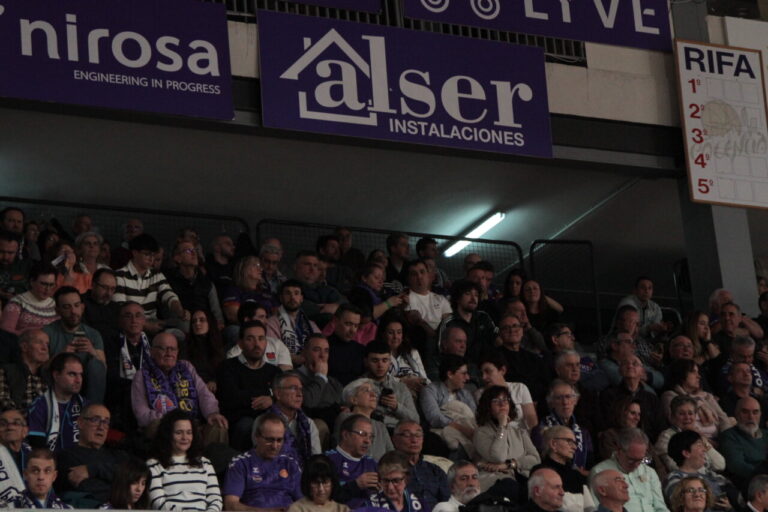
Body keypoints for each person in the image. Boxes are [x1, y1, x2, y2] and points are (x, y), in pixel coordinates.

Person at [131, 332, 228, 444]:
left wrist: (212, 413)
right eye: (163, 349)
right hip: (164, 425)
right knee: (156, 426)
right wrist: (174, 420)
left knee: (218, 425)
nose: (169, 353)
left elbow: (204, 394)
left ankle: (207, 461)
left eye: (173, 349)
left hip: (192, 424)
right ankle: (176, 461)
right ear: (152, 352)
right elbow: (141, 414)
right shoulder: (142, 375)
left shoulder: (186, 367)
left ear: (177, 352)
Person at [216, 320, 281, 451]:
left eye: (261, 339)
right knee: (248, 425)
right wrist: (269, 395)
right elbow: (232, 398)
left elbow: (283, 397)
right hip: (238, 423)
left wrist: (272, 400)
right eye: (250, 339)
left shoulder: (275, 371)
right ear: (240, 343)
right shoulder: (227, 367)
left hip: (269, 420)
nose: (257, 344)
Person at [222, 412, 303, 511]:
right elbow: (231, 505)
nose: (274, 446)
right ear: (257, 437)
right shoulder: (240, 463)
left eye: (279, 440)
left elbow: (304, 502)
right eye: (269, 440)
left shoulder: (291, 464)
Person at [146, 409, 222, 511]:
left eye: (189, 432)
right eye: (179, 433)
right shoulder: (153, 464)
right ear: (167, 435)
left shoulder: (205, 463)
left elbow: (215, 499)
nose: (185, 437)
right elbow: (158, 502)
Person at [54, 404, 129, 507]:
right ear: (80, 423)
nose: (101, 427)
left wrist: (92, 470)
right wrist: (118, 484)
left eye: (106, 422)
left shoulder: (117, 455)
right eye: (95, 420)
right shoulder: (66, 456)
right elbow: (89, 490)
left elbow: (136, 474)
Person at [113, 233, 187, 335]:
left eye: (153, 255)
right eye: (147, 254)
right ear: (134, 253)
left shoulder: (156, 275)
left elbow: (168, 294)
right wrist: (145, 325)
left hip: (154, 323)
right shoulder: (120, 275)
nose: (151, 259)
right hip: (130, 325)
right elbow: (120, 309)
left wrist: (180, 310)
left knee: (182, 327)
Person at [43, 286, 107, 403]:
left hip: (86, 385)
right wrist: (60, 356)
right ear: (57, 310)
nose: (73, 311)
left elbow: (103, 368)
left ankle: (92, 412)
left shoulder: (93, 334)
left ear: (82, 307)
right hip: (57, 383)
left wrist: (92, 352)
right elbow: (40, 369)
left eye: (76, 305)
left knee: (96, 365)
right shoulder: (47, 332)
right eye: (67, 307)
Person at [474, 385, 540, 487]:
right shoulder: (481, 432)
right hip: (496, 481)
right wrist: (502, 426)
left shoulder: (519, 431)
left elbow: (535, 459)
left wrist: (509, 464)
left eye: (505, 399)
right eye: (496, 401)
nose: (502, 404)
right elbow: (498, 457)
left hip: (522, 478)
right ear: (487, 407)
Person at [589, 428, 668, 512]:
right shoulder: (600, 472)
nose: (637, 465)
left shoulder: (649, 472)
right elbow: (596, 508)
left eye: (641, 460)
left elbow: (661, 507)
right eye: (632, 460)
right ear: (619, 451)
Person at [660, 359, 734, 442]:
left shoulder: (706, 396)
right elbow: (679, 425)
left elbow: (723, 418)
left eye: (698, 372)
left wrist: (727, 440)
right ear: (681, 374)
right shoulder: (670, 396)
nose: (699, 376)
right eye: (693, 372)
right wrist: (708, 442)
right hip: (695, 442)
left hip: (720, 440)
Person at [27, 353, 87, 452]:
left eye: (80, 374)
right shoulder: (39, 406)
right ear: (56, 375)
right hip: (51, 463)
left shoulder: (85, 405)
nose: (78, 380)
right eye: (72, 374)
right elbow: (37, 446)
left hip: (81, 461)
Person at [664, 430, 738, 508]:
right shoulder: (674, 478)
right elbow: (680, 503)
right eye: (699, 445)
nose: (704, 450)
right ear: (686, 453)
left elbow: (735, 494)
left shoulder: (710, 474)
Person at [600, 355, 665, 441]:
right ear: (620, 370)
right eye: (625, 363)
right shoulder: (608, 395)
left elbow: (660, 426)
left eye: (635, 364)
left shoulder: (651, 398)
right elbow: (605, 424)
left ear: (642, 371)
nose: (630, 366)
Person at [654, 396, 725, 474]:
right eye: (681, 414)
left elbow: (720, 465)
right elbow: (675, 467)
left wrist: (703, 440)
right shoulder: (666, 437)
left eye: (690, 413)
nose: (687, 417)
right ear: (673, 417)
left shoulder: (697, 436)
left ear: (695, 416)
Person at [420, 355, 476, 454]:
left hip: (467, 431)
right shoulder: (430, 390)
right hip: (440, 431)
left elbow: (473, 416)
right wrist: (461, 428)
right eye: (463, 373)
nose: (467, 377)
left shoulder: (465, 393)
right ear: (450, 374)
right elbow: (434, 418)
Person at [532, 425, 596, 512]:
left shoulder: (577, 475)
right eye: (569, 441)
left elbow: (589, 508)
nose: (575, 447)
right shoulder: (540, 472)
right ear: (553, 444)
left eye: (575, 443)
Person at [533, 379, 593, 471]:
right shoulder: (541, 429)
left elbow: (589, 462)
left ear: (575, 400)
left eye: (568, 397)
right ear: (551, 402)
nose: (565, 402)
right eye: (559, 398)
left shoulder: (584, 433)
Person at [392, 420, 450, 512]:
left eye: (418, 435)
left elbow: (447, 501)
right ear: (394, 439)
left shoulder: (435, 470)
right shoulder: (388, 471)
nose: (414, 440)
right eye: (407, 435)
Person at [166, 240, 225, 328]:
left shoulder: (206, 282)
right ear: (178, 258)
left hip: (205, 325)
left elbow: (216, 313)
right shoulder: (169, 281)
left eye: (195, 250)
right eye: (188, 251)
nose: (194, 253)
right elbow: (169, 313)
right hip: (181, 326)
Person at [437, 279, 497, 364]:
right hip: (459, 368)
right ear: (457, 298)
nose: (473, 298)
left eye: (476, 295)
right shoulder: (449, 322)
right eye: (468, 294)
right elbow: (441, 350)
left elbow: (496, 335)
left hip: (485, 367)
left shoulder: (484, 317)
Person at [363, 341, 419, 430]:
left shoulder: (401, 387)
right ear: (366, 362)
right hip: (373, 430)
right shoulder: (358, 386)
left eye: (385, 360)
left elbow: (415, 419)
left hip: (399, 433)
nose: (380, 365)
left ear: (390, 362)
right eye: (375, 360)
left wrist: (396, 406)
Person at [497, 314, 550, 405]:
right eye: (506, 327)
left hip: (538, 404)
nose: (512, 330)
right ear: (500, 333)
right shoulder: (494, 357)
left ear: (522, 331)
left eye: (515, 326)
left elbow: (545, 384)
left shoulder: (534, 358)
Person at [476, 350, 537, 430]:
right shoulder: (480, 394)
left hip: (521, 435)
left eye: (488, 372)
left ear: (502, 370)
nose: (484, 377)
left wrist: (534, 436)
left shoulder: (519, 388)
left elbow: (531, 417)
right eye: (482, 373)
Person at [335, 378, 394, 461]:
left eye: (374, 392)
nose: (373, 395)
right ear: (353, 399)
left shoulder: (380, 426)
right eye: (366, 390)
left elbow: (391, 456)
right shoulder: (345, 418)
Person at [296, 334, 343, 437]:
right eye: (317, 350)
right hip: (305, 428)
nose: (322, 355)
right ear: (304, 353)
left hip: (334, 430)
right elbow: (309, 402)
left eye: (326, 351)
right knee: (318, 426)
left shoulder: (334, 383)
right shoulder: (293, 378)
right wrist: (320, 376)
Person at [326, 414, 379, 505]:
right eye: (362, 434)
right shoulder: (328, 460)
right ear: (346, 435)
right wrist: (356, 485)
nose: (367, 441)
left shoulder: (372, 464)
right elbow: (323, 496)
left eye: (370, 437)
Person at [270, 372, 321, 464]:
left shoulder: (308, 423)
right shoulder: (264, 422)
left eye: (301, 389)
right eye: (293, 388)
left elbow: (315, 458)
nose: (299, 394)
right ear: (278, 394)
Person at [266, 279, 321, 366]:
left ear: (301, 298)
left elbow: (321, 345)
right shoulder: (272, 323)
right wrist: (294, 358)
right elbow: (272, 350)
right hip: (285, 367)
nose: (292, 297)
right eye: (288, 293)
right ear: (281, 298)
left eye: (296, 293)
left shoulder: (311, 324)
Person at [718, 397, 768, 491]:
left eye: (755, 412)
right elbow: (737, 466)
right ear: (736, 414)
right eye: (745, 412)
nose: (751, 417)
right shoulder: (729, 436)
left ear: (760, 415)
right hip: (750, 485)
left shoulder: (766, 434)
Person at [1, 262, 59, 335]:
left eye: (51, 285)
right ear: (32, 282)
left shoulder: (56, 304)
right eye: (43, 284)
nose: (47, 289)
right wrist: (28, 333)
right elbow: (6, 333)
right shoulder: (17, 303)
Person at [379, 314, 429, 395]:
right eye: (391, 333)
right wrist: (403, 381)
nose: (395, 336)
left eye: (399, 332)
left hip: (419, 390)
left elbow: (424, 377)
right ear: (383, 334)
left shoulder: (412, 352)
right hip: (395, 393)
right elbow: (380, 379)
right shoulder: (378, 354)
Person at [0, 329, 49, 410]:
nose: (45, 348)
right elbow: (3, 402)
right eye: (39, 342)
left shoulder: (50, 376)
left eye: (47, 344)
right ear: (24, 347)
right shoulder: (6, 371)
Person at [6, 447, 71, 509]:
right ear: (26, 474)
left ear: (54, 476)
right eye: (35, 471)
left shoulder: (66, 509)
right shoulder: (8, 507)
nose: (41, 477)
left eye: (47, 471)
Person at [327, 304, 365, 386]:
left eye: (356, 326)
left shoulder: (361, 350)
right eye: (348, 324)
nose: (353, 330)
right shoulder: (324, 347)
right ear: (335, 321)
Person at [0, 409, 31, 504]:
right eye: (3, 424)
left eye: (16, 423)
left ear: (25, 431)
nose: (9, 427)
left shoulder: (32, 455)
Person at [598, 397, 643, 461]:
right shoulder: (609, 436)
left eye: (639, 414)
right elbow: (616, 461)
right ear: (621, 413)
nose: (637, 418)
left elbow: (658, 464)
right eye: (633, 413)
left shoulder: (641, 436)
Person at [83, 268, 120, 343]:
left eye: (112, 289)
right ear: (93, 284)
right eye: (105, 287)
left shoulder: (116, 308)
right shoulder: (80, 303)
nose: (109, 293)